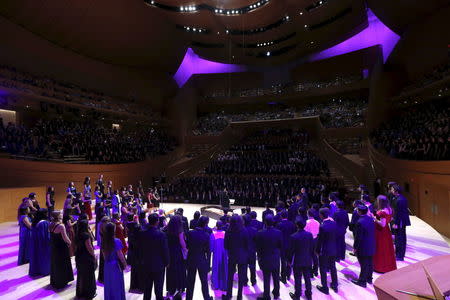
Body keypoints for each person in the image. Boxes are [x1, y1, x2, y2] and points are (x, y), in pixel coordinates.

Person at [139, 213, 169, 300]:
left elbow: (140, 249)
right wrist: (167, 262)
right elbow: (165, 250)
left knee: (147, 288)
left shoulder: (142, 233)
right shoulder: (161, 234)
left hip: (146, 264)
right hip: (159, 265)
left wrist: (141, 261)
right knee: (158, 289)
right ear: (157, 222)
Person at [255, 214, 283, 300]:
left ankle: (266, 296)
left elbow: (258, 248)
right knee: (276, 277)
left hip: (265, 259)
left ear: (265, 222)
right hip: (275, 258)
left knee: (266, 278)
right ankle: (276, 292)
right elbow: (281, 246)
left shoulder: (260, 233)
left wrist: (259, 258)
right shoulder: (278, 232)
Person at [186, 216, 213, 300]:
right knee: (204, 282)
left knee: (190, 282)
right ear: (205, 224)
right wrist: (208, 264)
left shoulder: (190, 233)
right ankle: (207, 298)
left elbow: (187, 246)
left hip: (191, 259)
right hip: (202, 260)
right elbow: (208, 251)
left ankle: (188, 298)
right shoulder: (206, 235)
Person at [224, 214, 249, 300]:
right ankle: (239, 296)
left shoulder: (228, 231)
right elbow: (247, 245)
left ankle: (229, 295)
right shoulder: (244, 230)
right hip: (242, 256)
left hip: (232, 255)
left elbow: (225, 246)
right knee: (241, 277)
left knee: (230, 276)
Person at [288, 217, 314, 300]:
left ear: (296, 225)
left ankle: (297, 295)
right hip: (307, 259)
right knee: (307, 278)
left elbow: (291, 251)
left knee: (298, 278)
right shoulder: (309, 235)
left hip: (298, 260)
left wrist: (289, 261)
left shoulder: (293, 236)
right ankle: (309, 294)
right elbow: (311, 248)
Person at [351, 205, 375, 288]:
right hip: (371, 243)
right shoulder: (371, 219)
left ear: (359, 212)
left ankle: (362, 281)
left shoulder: (359, 222)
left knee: (364, 264)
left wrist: (355, 247)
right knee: (370, 263)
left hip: (363, 246)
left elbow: (358, 237)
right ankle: (369, 279)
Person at [316, 208, 338, 295]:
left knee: (323, 268)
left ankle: (325, 287)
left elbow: (320, 240)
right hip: (333, 248)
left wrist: (317, 250)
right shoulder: (334, 223)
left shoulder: (322, 226)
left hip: (324, 250)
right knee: (333, 267)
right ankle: (335, 284)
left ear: (321, 215)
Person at [49, 211, 74, 289]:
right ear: (58, 216)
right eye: (61, 214)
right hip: (61, 247)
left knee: (56, 264)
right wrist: (70, 243)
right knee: (63, 264)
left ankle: (55, 281)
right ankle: (63, 281)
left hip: (54, 246)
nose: (62, 215)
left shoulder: (50, 224)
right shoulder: (61, 226)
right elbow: (65, 238)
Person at [102, 222, 127, 300]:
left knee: (109, 284)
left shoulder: (104, 241)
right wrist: (125, 264)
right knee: (117, 284)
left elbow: (104, 255)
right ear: (113, 230)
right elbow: (120, 255)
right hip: (115, 266)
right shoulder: (116, 241)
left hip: (107, 265)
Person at [373, 195, 397, 273]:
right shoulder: (389, 209)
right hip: (386, 231)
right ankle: (387, 266)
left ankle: (380, 267)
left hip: (381, 232)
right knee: (386, 249)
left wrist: (374, 218)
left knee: (381, 249)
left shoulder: (383, 212)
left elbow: (382, 224)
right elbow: (388, 221)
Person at [165, 215, 187, 297]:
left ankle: (171, 288)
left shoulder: (167, 229)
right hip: (177, 252)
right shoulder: (179, 231)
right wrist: (186, 250)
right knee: (179, 270)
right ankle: (179, 287)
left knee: (170, 270)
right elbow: (182, 243)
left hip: (169, 252)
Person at [75, 219, 97, 299]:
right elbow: (89, 248)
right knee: (89, 275)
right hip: (87, 257)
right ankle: (89, 293)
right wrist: (94, 256)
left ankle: (81, 292)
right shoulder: (86, 235)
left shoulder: (77, 234)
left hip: (79, 256)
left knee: (81, 275)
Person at [29, 208, 51, 277]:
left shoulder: (35, 222)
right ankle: (44, 271)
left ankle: (37, 271)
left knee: (36, 256)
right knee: (43, 256)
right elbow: (45, 235)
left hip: (35, 242)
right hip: (43, 243)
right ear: (44, 214)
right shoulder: (44, 223)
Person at [276, 210, 296, 284]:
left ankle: (283, 277)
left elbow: (278, 236)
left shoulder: (279, 224)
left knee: (283, 261)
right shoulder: (292, 224)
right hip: (290, 245)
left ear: (281, 216)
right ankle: (288, 275)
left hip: (282, 245)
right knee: (289, 261)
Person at [391, 184, 410, 261]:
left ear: (396, 191)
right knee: (398, 238)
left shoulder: (400, 200)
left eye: (392, 189)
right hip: (398, 220)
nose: (391, 190)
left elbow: (400, 213)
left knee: (400, 238)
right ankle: (398, 254)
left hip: (400, 221)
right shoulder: (398, 198)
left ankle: (400, 256)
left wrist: (396, 223)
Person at [126, 213, 143, 293]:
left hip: (133, 257)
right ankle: (140, 287)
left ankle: (133, 286)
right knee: (140, 272)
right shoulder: (141, 239)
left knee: (134, 273)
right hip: (139, 258)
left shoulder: (132, 237)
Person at [211, 220, 228, 291]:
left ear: (216, 226)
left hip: (216, 254)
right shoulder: (225, 234)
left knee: (216, 269)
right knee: (224, 269)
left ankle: (216, 285)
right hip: (224, 254)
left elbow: (211, 248)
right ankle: (224, 285)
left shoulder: (213, 235)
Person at [304, 209, 320, 277]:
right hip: (316, 239)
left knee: (309, 256)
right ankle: (315, 271)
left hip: (309, 240)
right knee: (314, 255)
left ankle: (310, 272)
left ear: (308, 214)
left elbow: (304, 232)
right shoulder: (317, 222)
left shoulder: (307, 222)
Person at [243, 214, 258, 286]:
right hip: (252, 252)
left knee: (244, 267)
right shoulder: (254, 230)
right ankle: (253, 281)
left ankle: (244, 281)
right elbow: (256, 241)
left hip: (243, 252)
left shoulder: (241, 230)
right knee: (252, 267)